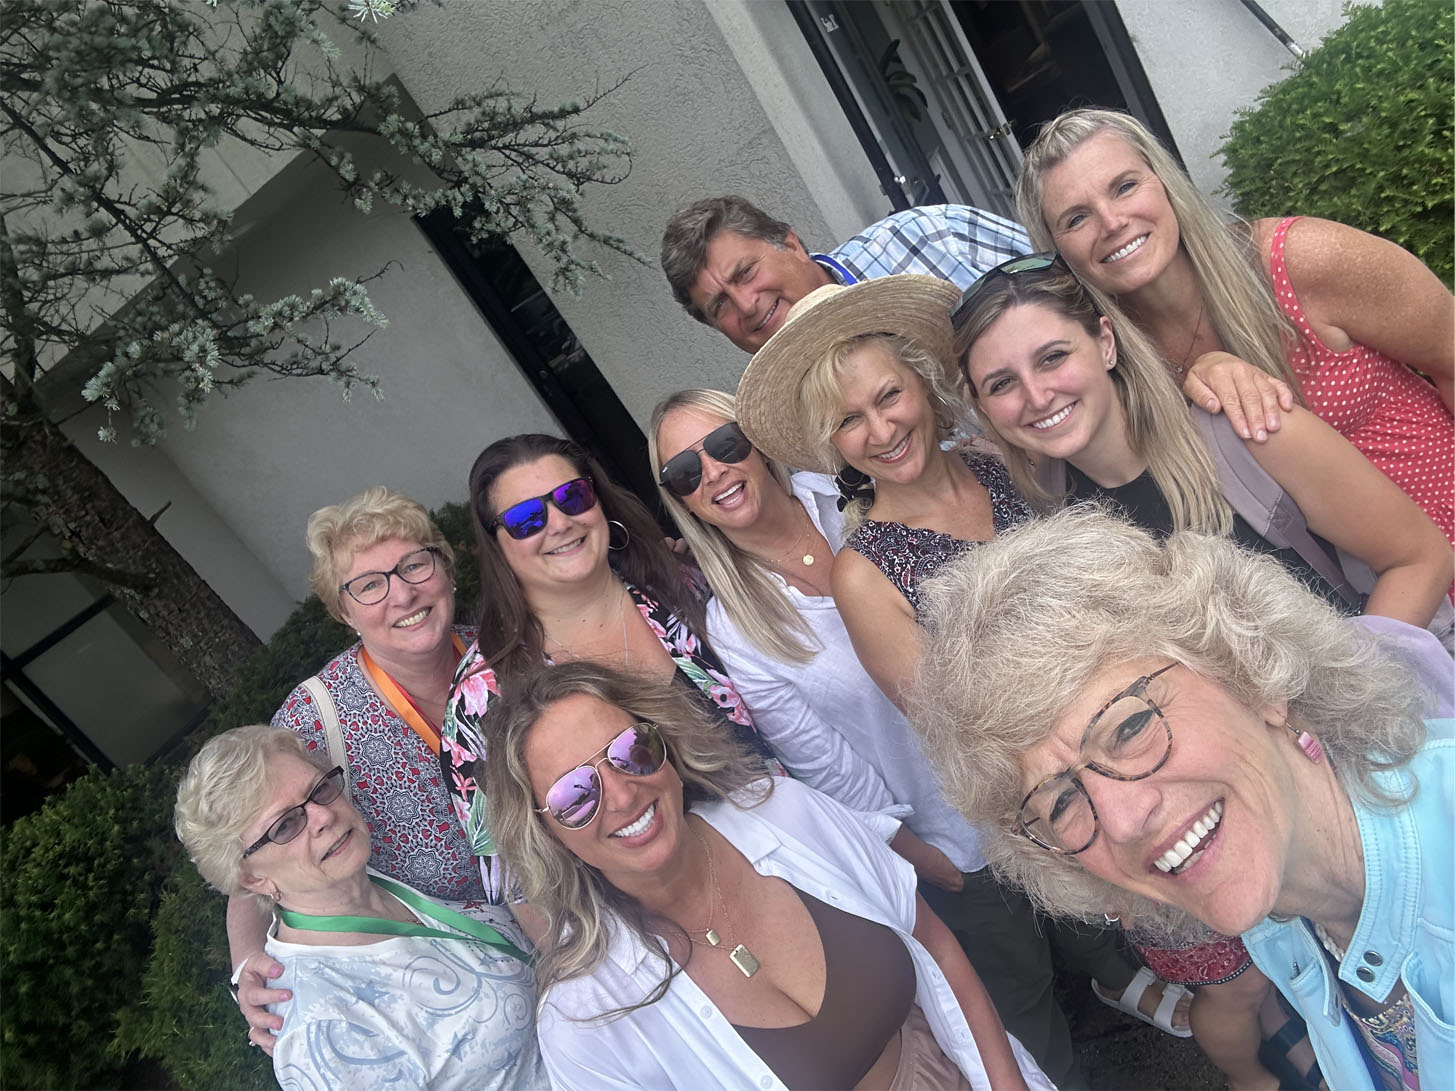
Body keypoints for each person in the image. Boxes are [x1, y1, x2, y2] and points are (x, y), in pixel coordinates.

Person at [735, 273, 1186, 1086]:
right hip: (1038, 803)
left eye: (888, 395)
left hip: (1139, 732)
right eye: (848, 419)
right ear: (829, 441)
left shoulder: (1000, 462)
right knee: (1028, 1008)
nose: (879, 428)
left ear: (923, 385)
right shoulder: (863, 574)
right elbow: (958, 725)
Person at [913, 505, 1455, 1091]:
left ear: (1253, 671)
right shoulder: (1279, 920)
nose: (1121, 822)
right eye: (1061, 803)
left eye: (1128, 727)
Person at [482, 660, 1053, 1091]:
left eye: (632, 750)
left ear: (667, 748)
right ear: (549, 834)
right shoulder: (584, 1018)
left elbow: (934, 945)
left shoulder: (785, 810)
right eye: (575, 795)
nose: (625, 793)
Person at [1014, 108, 1454, 547]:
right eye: (1076, 219)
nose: (1112, 223)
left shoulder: (1297, 261)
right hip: (1359, 605)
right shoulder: (1108, 367)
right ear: (1057, 254)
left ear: (1165, 183)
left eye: (1125, 187)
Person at [955, 253, 1452, 631]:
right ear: (983, 407)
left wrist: (1348, 709)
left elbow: (1421, 558)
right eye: (1001, 384)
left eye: (1053, 357)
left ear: (1105, 343)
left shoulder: (1247, 428)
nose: (1037, 395)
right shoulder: (1055, 512)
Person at [649, 387, 980, 900]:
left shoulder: (855, 487)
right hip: (957, 835)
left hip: (1034, 749)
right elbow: (831, 767)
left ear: (757, 442)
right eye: (684, 474)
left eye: (724, 444)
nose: (712, 472)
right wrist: (931, 861)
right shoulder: (735, 629)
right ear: (681, 500)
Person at [440, 434, 774, 902]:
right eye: (525, 518)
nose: (558, 523)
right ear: (496, 546)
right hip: (667, 933)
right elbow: (523, 888)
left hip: (792, 853)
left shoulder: (681, 586)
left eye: (572, 496)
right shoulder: (481, 700)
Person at [231, 487, 482, 1049]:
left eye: (415, 564)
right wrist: (249, 963)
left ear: (445, 569)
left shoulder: (506, 652)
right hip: (459, 987)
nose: (403, 593)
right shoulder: (312, 719)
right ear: (344, 612)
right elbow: (254, 864)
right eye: (369, 585)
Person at [175, 725, 546, 1090]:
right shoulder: (322, 1029)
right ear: (253, 880)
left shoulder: (368, 884)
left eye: (319, 790)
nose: (323, 817)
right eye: (286, 825)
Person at [660, 195, 1031, 354]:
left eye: (745, 273)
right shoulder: (784, 415)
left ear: (790, 244)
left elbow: (1068, 284)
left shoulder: (929, 235)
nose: (745, 305)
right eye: (720, 304)